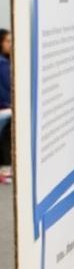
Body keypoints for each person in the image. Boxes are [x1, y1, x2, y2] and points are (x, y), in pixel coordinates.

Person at [0, 29, 11, 184]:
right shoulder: (2, 64)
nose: (11, 44)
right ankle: (6, 167)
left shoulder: (6, 62)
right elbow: (8, 87)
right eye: (8, 41)